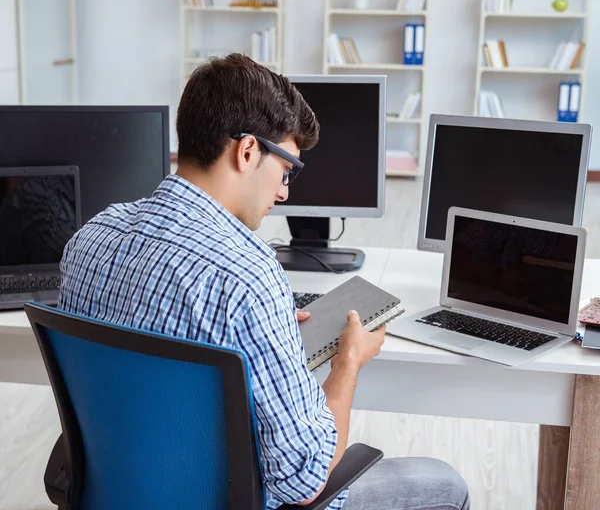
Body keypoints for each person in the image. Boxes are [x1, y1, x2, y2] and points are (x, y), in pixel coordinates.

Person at [58, 53, 470, 510]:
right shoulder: (247, 275)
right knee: (447, 485)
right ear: (248, 150)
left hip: (120, 495)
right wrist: (347, 364)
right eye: (286, 168)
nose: (284, 191)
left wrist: (260, 330)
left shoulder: (89, 239)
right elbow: (304, 480)